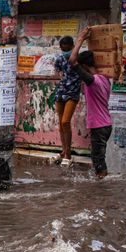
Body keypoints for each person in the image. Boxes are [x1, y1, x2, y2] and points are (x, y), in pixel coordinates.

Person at [70, 29, 112, 178]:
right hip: (106, 124)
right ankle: (100, 185)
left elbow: (72, 61)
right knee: (98, 159)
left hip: (99, 126)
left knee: (99, 162)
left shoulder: (92, 81)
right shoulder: (105, 78)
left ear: (85, 67)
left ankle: (103, 191)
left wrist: (80, 39)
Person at [52, 35, 80, 166]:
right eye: (63, 49)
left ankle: (68, 153)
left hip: (73, 92)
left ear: (73, 46)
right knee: (61, 123)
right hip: (61, 91)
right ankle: (64, 151)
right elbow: (58, 74)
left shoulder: (78, 59)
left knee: (65, 122)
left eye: (68, 49)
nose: (65, 51)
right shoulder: (59, 59)